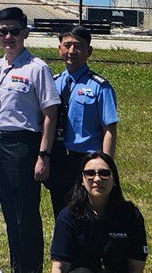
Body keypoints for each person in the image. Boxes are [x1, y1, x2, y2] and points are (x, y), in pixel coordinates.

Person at [40, 152, 147, 273]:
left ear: (114, 179)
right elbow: (59, 269)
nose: (97, 178)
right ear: (82, 180)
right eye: (90, 173)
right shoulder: (68, 217)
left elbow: (135, 270)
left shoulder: (131, 216)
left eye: (104, 173)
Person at [0, 6, 60, 273]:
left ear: (25, 34)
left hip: (24, 145)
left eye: (14, 32)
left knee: (26, 215)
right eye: (2, 31)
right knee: (9, 214)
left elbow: (50, 114)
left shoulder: (36, 68)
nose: (8, 37)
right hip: (0, 142)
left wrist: (43, 155)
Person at [48, 26, 120, 218]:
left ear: (89, 51)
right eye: (67, 45)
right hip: (58, 158)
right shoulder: (53, 83)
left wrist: (105, 165)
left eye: (78, 46)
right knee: (61, 213)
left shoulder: (99, 86)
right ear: (59, 49)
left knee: (89, 213)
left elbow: (109, 128)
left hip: (86, 160)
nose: (72, 51)